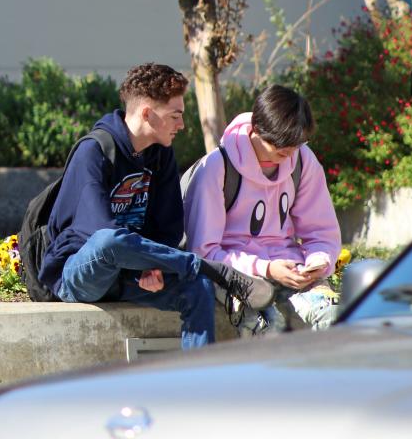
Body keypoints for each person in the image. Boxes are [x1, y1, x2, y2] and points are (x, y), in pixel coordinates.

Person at [39, 63, 275, 350]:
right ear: (147, 113)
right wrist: (149, 263)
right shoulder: (94, 151)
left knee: (197, 288)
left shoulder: (160, 155)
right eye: (175, 115)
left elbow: (168, 228)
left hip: (132, 275)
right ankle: (206, 267)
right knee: (108, 240)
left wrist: (153, 268)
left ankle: (197, 386)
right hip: (82, 273)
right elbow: (97, 234)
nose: (182, 125)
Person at [184, 84, 342, 335]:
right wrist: (265, 268)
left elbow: (321, 232)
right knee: (271, 331)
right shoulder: (217, 167)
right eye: (279, 149)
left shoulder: (302, 159)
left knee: (335, 319)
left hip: (290, 268)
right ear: (256, 130)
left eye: (296, 146)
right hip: (239, 276)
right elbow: (204, 252)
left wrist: (318, 262)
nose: (288, 155)